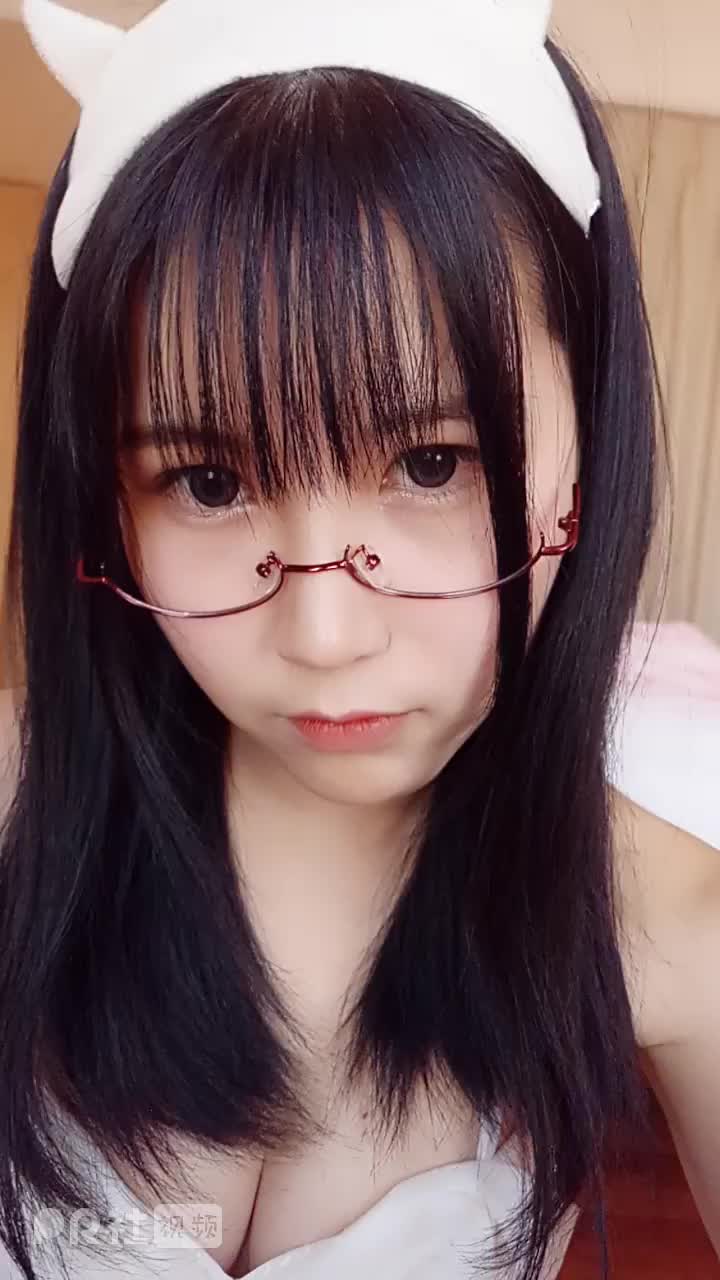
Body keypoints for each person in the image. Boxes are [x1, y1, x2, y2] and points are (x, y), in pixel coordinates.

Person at [1, 1, 719, 1277]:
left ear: (590, 425)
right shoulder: (16, 816)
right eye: (208, 482)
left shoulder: (664, 913)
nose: (325, 633)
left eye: (432, 462)